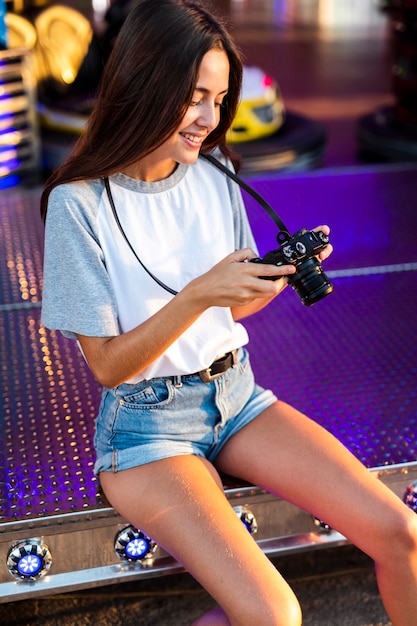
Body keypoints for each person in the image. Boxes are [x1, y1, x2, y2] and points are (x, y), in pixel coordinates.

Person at [40, 1, 417, 624]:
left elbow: (230, 308)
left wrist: (270, 281)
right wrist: (199, 293)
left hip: (236, 395)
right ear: (143, 83)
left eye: (219, 99)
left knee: (402, 534)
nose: (209, 120)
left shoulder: (217, 172)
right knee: (275, 615)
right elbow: (108, 366)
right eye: (194, 97)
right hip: (145, 429)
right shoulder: (79, 206)